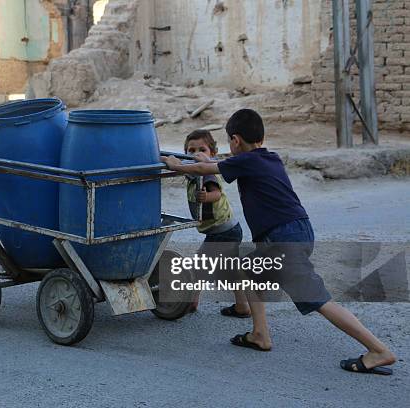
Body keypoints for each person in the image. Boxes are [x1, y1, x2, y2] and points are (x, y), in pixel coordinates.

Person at [161, 109, 396, 375]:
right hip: (298, 231)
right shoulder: (268, 158)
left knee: (317, 300)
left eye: (230, 141)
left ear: (236, 140)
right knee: (249, 271)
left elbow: (206, 168)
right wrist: (209, 159)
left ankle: (378, 350)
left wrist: (176, 164)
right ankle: (260, 334)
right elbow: (222, 163)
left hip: (281, 240)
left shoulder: (246, 161)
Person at [183, 129, 249, 317]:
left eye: (202, 149)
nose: (196, 154)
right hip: (224, 229)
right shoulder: (193, 173)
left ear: (212, 154)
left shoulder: (207, 173)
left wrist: (206, 196)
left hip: (224, 231)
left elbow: (217, 193)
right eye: (191, 150)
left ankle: (191, 302)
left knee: (198, 266)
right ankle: (242, 306)